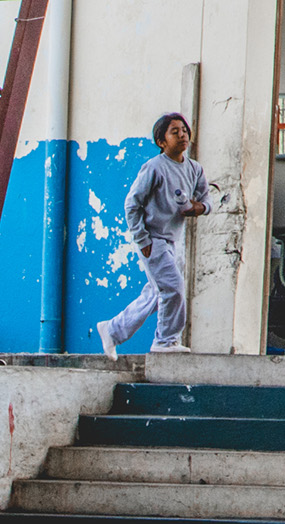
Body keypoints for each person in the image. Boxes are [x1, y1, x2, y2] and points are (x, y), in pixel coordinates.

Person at [96, 112, 210, 357]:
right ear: (161, 141)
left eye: (184, 130)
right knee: (174, 288)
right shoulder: (154, 167)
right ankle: (165, 341)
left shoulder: (194, 169)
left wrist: (196, 208)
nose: (182, 135)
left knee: (154, 293)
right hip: (152, 240)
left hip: (173, 241)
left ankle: (113, 330)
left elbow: (205, 200)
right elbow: (131, 204)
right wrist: (142, 239)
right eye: (174, 132)